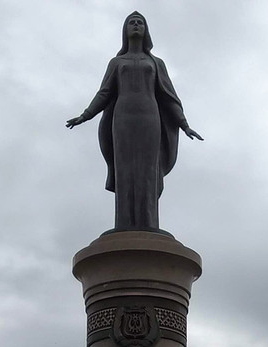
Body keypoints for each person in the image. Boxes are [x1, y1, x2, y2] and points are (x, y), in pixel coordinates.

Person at [66, 11, 202, 231]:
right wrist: (85, 115)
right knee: (125, 169)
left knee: (148, 170)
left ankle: (149, 223)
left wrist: (184, 125)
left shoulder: (156, 63)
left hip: (150, 119)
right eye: (132, 23)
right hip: (122, 121)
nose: (136, 25)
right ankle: (124, 224)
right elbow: (104, 93)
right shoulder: (116, 62)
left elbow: (169, 97)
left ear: (146, 30)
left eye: (140, 23)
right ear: (125, 31)